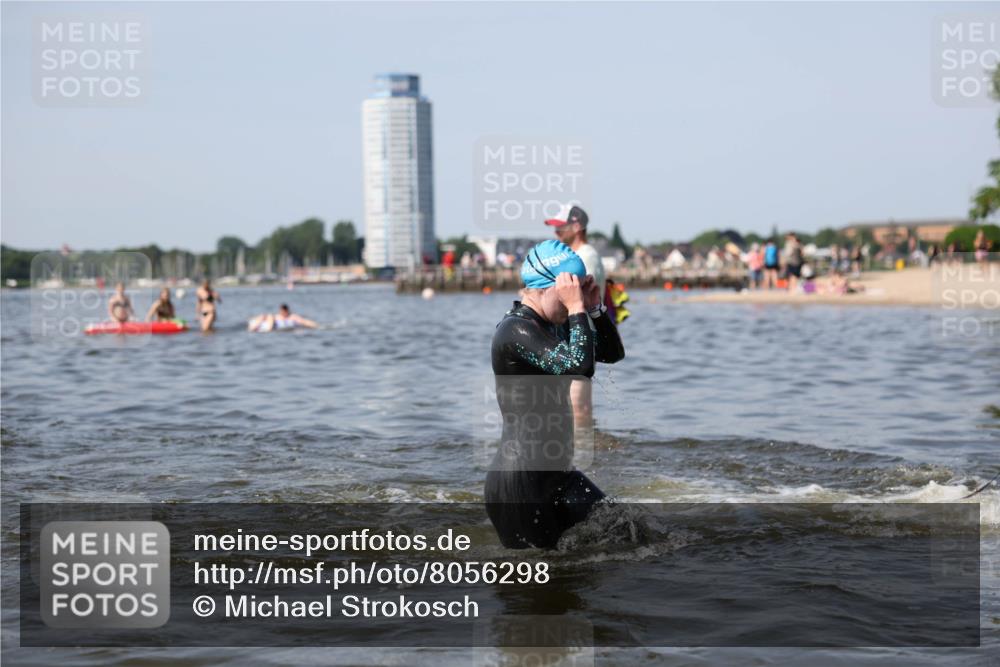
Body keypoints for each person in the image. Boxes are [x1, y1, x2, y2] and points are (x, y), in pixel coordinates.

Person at [486, 240, 625, 549]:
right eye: (564, 298)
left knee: (627, 534)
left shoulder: (553, 325)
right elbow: (580, 368)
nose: (567, 306)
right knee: (541, 585)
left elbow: (612, 353)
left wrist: (594, 309)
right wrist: (576, 309)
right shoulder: (515, 331)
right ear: (546, 288)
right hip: (521, 487)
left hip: (559, 476)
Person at [545, 204, 606, 439]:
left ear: (577, 226)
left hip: (580, 337)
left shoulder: (586, 256)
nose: (556, 233)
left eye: (561, 227)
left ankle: (583, 457)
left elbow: (577, 293)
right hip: (571, 336)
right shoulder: (575, 255)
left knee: (579, 409)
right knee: (570, 408)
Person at [247, 304, 318, 333]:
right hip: (270, 325)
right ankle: (252, 329)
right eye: (281, 311)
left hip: (276, 326)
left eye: (284, 311)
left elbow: (303, 321)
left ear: (286, 311)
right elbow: (264, 317)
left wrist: (316, 326)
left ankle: (268, 329)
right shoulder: (275, 316)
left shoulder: (292, 316)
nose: (282, 313)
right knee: (266, 316)